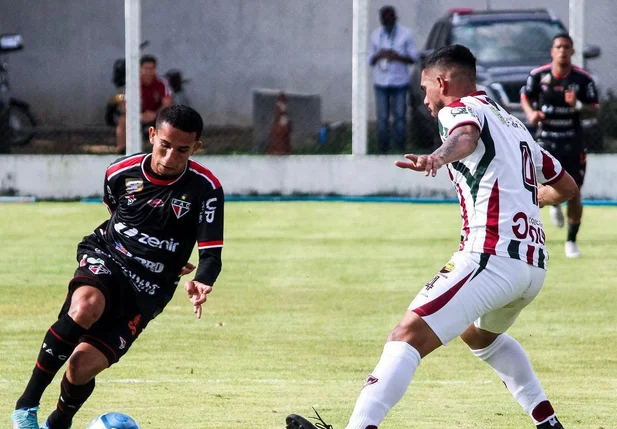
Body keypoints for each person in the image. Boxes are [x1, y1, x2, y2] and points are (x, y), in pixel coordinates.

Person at [288, 45, 578, 429]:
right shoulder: (512, 123)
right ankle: (549, 422)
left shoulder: (458, 110)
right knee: (479, 336)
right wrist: (534, 198)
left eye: (426, 88)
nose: (425, 99)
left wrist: (437, 158)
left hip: (490, 257)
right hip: (532, 267)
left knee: (406, 334)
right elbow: (566, 184)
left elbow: (465, 136)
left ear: (442, 82)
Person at [11, 105, 224, 429]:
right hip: (108, 256)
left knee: (81, 366)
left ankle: (58, 423)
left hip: (150, 288)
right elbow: (116, 214)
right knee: (86, 306)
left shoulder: (205, 188)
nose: (169, 157)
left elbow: (210, 253)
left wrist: (203, 280)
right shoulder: (120, 171)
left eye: (182, 150)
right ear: (152, 135)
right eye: (164, 145)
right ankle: (26, 408)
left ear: (195, 148)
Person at [521, 33, 599, 258]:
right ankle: (552, 207)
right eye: (558, 47)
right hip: (546, 141)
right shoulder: (538, 76)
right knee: (534, 188)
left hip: (572, 142)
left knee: (575, 193)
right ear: (552, 51)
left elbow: (595, 108)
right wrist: (531, 114)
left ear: (572, 52)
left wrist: (577, 105)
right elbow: (525, 96)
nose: (562, 51)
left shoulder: (583, 79)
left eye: (567, 47)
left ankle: (571, 242)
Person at [369, 5, 418, 153]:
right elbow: (369, 60)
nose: (387, 21)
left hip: (400, 82)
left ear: (395, 18)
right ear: (381, 20)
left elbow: (413, 58)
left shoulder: (406, 34)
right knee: (382, 118)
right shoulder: (375, 35)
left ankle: (400, 148)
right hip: (381, 82)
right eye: (384, 19)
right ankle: (383, 149)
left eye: (390, 18)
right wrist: (380, 54)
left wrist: (397, 57)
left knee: (400, 117)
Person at [116, 54, 173, 153]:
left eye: (151, 68)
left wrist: (155, 114)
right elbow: (124, 105)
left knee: (169, 121)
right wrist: (138, 115)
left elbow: (167, 103)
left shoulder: (161, 83)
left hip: (157, 115)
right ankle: (122, 150)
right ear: (140, 68)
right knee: (122, 120)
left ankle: (165, 150)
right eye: (146, 68)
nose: (148, 71)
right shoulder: (133, 83)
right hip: (137, 115)